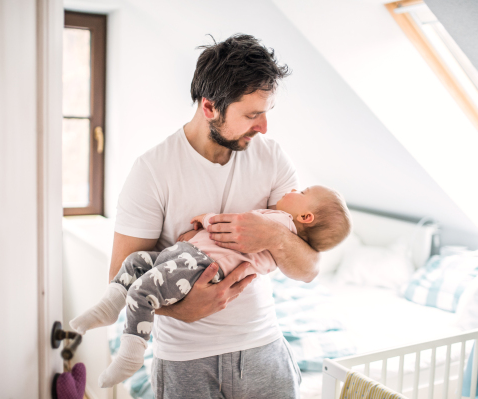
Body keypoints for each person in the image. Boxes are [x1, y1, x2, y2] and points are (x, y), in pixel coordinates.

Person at [100, 33, 319, 398]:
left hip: (263, 346)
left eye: (266, 113)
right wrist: (182, 310)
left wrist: (274, 236)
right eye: (252, 114)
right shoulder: (153, 171)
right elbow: (120, 277)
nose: (263, 127)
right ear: (209, 107)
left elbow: (309, 269)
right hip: (185, 359)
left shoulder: (273, 158)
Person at [70, 185, 351, 388]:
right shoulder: (280, 220)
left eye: (302, 193)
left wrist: (205, 220)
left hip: (200, 264)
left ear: (306, 218)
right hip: (188, 255)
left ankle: (131, 353)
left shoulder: (280, 222)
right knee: (135, 262)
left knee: (143, 290)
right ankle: (109, 307)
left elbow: (230, 225)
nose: (294, 189)